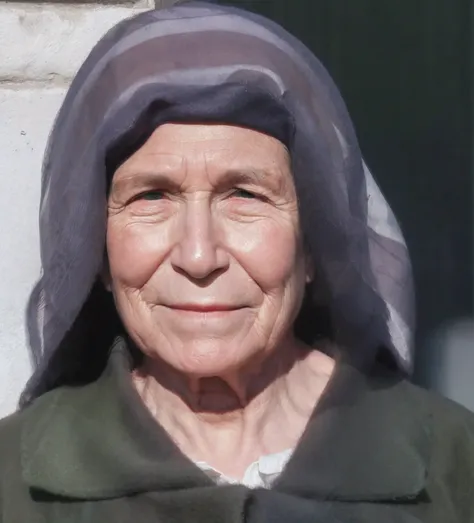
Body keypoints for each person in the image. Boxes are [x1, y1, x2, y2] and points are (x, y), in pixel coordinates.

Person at [1, 2, 473, 522]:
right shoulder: (14, 482)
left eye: (245, 195)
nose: (198, 256)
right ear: (100, 246)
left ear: (312, 243)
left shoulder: (453, 467)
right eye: (151, 197)